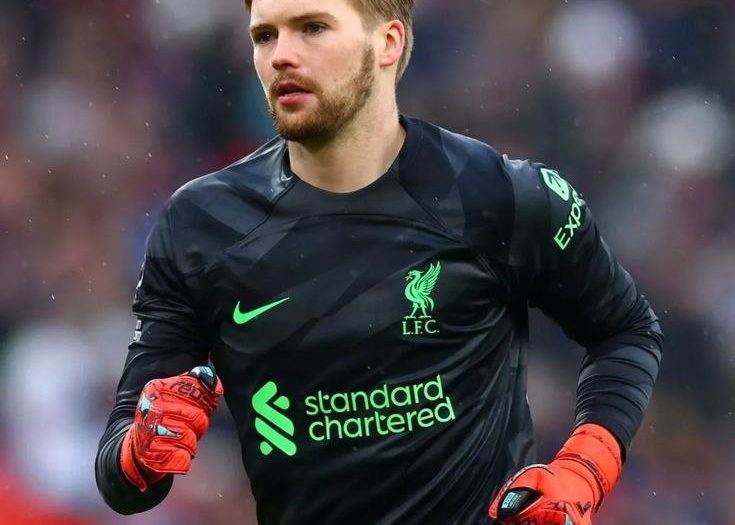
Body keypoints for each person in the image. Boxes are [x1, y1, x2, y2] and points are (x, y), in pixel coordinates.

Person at [95, 0, 663, 523]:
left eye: (312, 28)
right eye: (265, 35)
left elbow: (626, 330)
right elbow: (124, 475)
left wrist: (584, 469)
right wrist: (142, 451)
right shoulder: (201, 224)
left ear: (388, 43)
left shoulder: (497, 195)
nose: (281, 55)